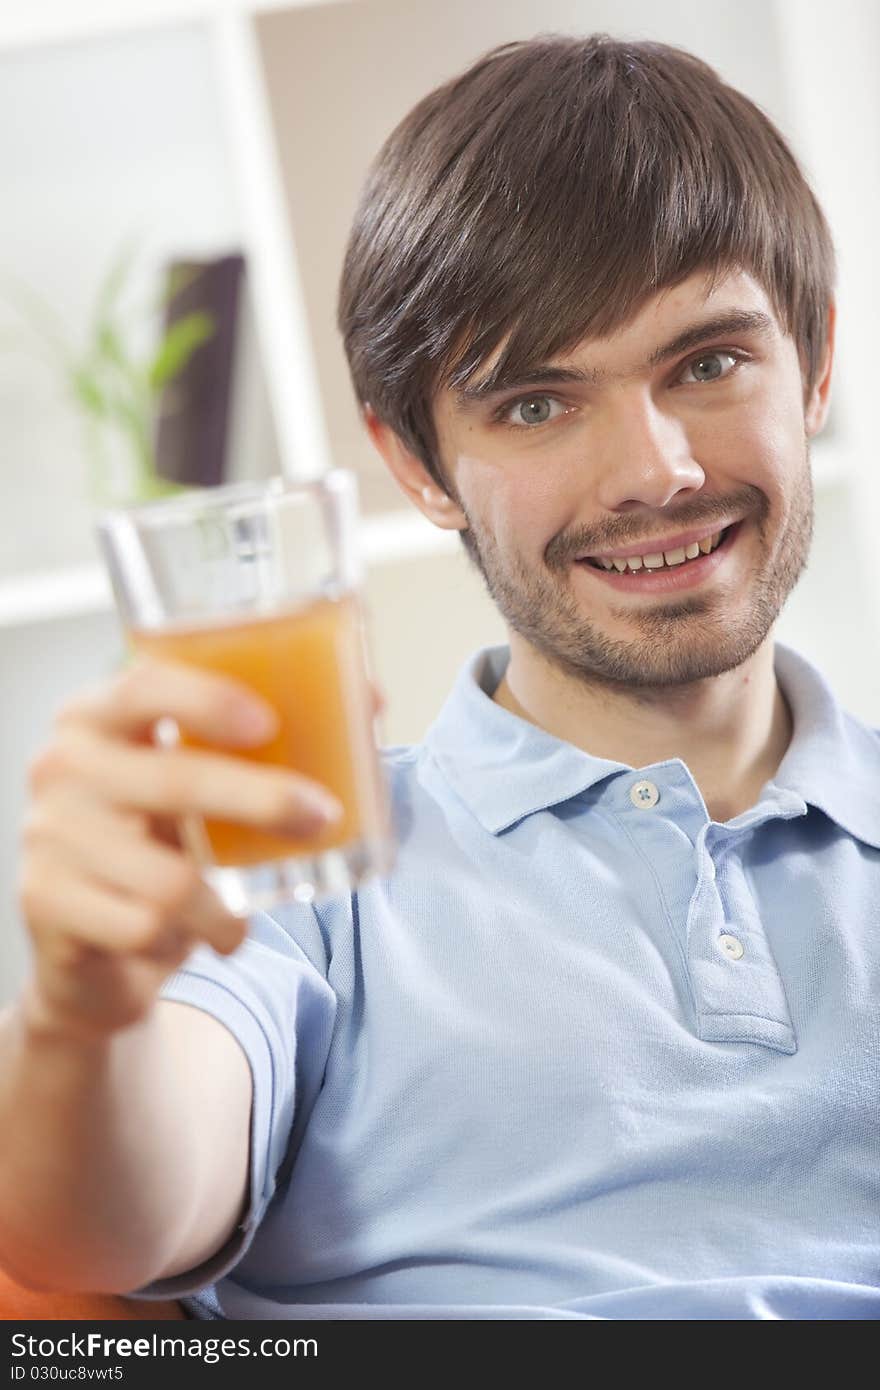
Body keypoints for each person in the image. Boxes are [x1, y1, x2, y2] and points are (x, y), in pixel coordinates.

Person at [1, 33, 877, 1322]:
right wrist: (83, 1013)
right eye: (536, 402)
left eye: (706, 363)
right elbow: (93, 1240)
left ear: (810, 366)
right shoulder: (300, 868)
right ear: (414, 465)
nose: (654, 472)